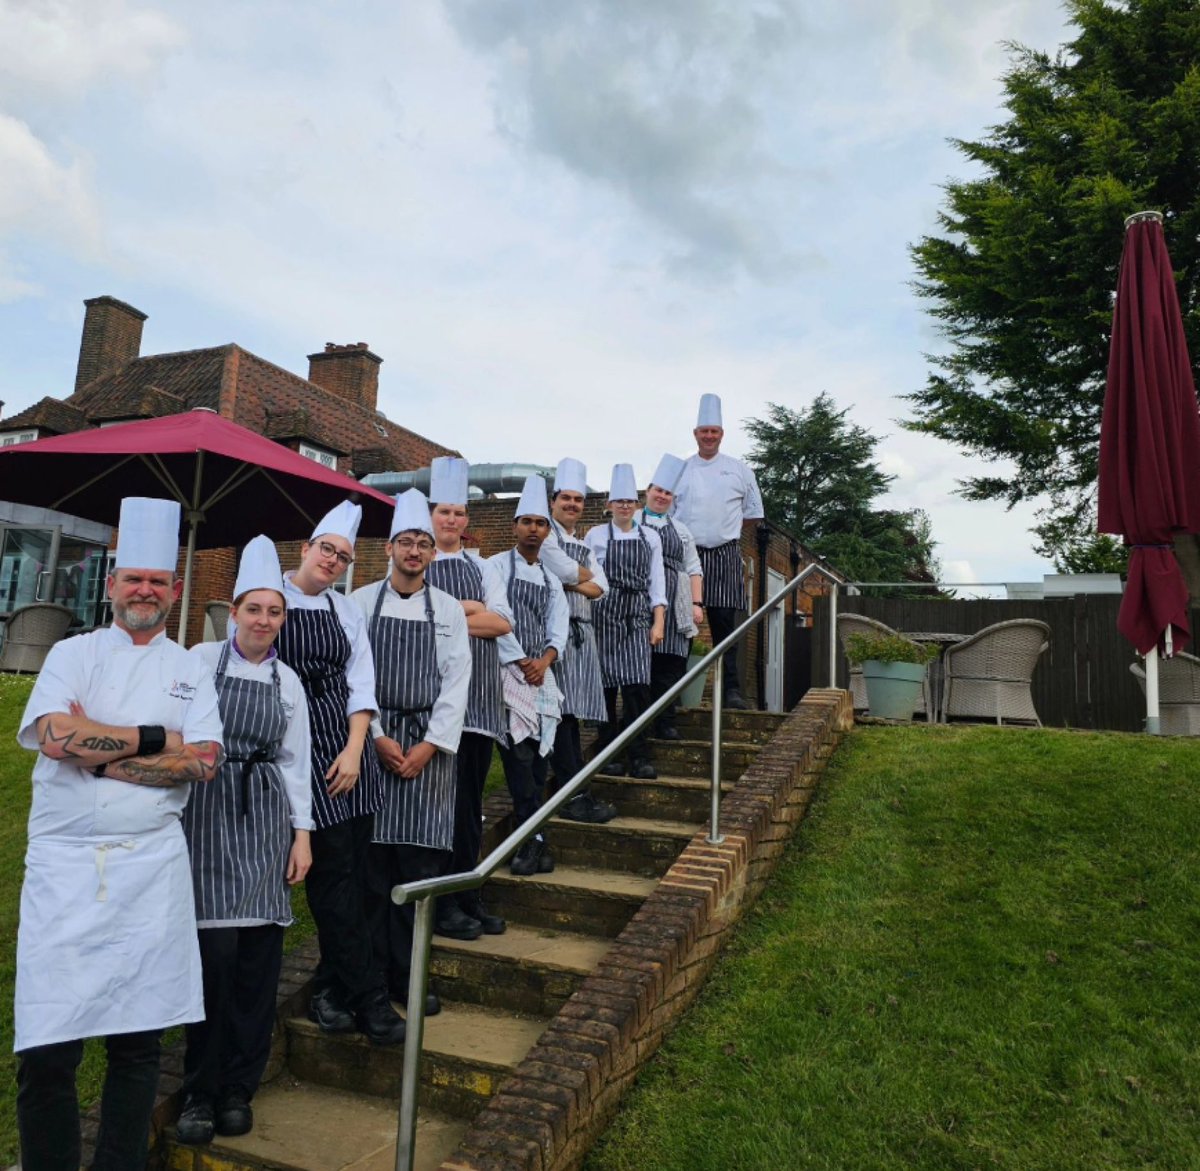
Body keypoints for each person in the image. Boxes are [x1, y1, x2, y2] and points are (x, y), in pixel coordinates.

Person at [14, 496, 224, 1171]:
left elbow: (204, 762)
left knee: (137, 1043)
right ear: (111, 583)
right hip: (64, 872)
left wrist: (97, 748)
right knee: (48, 1046)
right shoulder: (70, 653)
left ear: (176, 589)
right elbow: (52, 736)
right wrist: (159, 740)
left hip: (149, 872)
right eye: (133, 578)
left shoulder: (193, 667)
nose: (144, 590)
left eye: (157, 581)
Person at [176, 536, 314, 1146]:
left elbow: (296, 761)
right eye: (254, 609)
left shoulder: (290, 683)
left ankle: (239, 1089)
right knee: (213, 961)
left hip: (264, 818)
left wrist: (302, 836)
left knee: (258, 964)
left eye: (274, 611)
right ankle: (199, 1092)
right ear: (233, 613)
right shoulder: (200, 662)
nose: (264, 621)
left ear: (283, 619)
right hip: (204, 815)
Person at [275, 500, 405, 1046]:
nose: (332, 561)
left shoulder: (345, 610)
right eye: (326, 549)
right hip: (298, 751)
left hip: (347, 753)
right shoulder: (270, 600)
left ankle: (333, 988)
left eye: (343, 556)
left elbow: (362, 684)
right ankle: (371, 998)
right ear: (306, 549)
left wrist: (356, 750)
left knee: (365, 881)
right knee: (332, 885)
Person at [352, 489, 471, 1016]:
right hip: (375, 746)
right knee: (372, 874)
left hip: (429, 752)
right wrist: (375, 736)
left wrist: (428, 745)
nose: (415, 551)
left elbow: (457, 682)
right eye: (407, 542)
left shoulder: (448, 610)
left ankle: (409, 977)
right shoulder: (358, 603)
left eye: (424, 543)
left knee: (417, 876)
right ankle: (372, 978)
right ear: (389, 548)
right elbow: (354, 680)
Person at [424, 457, 512, 938]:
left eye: (459, 513)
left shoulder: (482, 568)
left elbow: (501, 622)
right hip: (436, 705)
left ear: (467, 520)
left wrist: (447, 616)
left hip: (478, 705)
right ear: (431, 516)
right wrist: (468, 611)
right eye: (444, 512)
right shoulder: (418, 561)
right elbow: (416, 618)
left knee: (469, 810)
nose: (451, 520)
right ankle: (440, 904)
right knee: (443, 807)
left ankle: (466, 895)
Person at [487, 474, 569, 876]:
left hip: (542, 675)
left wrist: (546, 660)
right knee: (518, 762)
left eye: (540, 523)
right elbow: (495, 616)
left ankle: (536, 842)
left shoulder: (552, 580)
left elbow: (560, 627)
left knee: (539, 763)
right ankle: (533, 842)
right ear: (515, 526)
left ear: (547, 530)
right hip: (507, 674)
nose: (533, 529)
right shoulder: (495, 567)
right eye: (527, 522)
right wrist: (523, 662)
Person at [672, 393, 764, 709]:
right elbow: (666, 515)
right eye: (703, 431)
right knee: (682, 626)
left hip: (725, 554)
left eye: (714, 431)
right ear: (695, 434)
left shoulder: (740, 470)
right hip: (687, 556)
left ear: (722, 434)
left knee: (726, 627)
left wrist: (727, 531)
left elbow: (753, 512)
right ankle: (675, 693)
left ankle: (732, 692)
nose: (709, 436)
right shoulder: (680, 470)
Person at [584, 463, 667, 779]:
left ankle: (640, 755)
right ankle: (609, 755)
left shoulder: (651, 537)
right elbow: (588, 576)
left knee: (636, 690)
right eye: (618, 501)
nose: (624, 506)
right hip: (604, 613)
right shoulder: (595, 535)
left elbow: (657, 582)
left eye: (629, 501)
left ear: (637, 504)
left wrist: (658, 622)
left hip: (638, 614)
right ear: (609, 505)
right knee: (606, 690)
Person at [544, 457, 615, 824]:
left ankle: (574, 791)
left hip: (581, 636)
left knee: (570, 716)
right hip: (554, 634)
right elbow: (574, 572)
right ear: (553, 501)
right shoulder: (544, 535)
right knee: (559, 716)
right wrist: (578, 579)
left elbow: (600, 587)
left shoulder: (581, 541)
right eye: (566, 498)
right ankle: (573, 795)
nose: (572, 505)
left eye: (578, 500)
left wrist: (570, 581)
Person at [636, 454, 704, 740]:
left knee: (671, 668)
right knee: (641, 669)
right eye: (658, 491)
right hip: (638, 604)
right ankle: (638, 726)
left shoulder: (682, 530)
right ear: (647, 492)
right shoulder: (632, 523)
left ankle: (665, 721)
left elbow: (693, 567)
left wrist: (696, 604)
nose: (662, 496)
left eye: (668, 493)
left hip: (676, 610)